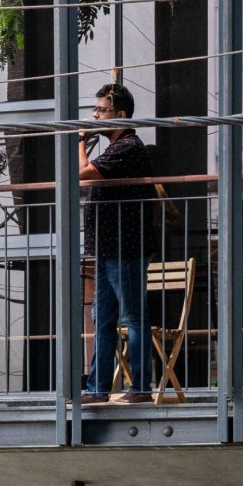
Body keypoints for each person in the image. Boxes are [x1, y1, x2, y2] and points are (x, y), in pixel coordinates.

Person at [78, 82, 156, 403]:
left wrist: (81, 141)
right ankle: (98, 389)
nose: (95, 116)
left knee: (133, 317)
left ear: (120, 115)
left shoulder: (128, 147)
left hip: (126, 247)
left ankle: (140, 387)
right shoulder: (114, 147)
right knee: (104, 318)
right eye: (95, 110)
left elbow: (83, 172)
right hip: (109, 248)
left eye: (101, 111)